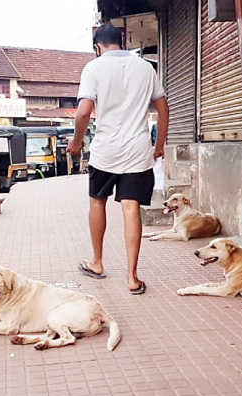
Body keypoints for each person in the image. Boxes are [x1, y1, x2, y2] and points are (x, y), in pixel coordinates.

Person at [68, 24, 169, 295]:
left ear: (96, 46)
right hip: (138, 150)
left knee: (97, 202)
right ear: (122, 41)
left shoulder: (94, 68)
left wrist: (77, 143)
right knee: (131, 208)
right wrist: (158, 145)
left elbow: (83, 112)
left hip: (105, 150)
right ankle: (132, 278)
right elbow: (162, 107)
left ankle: (97, 262)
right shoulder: (146, 67)